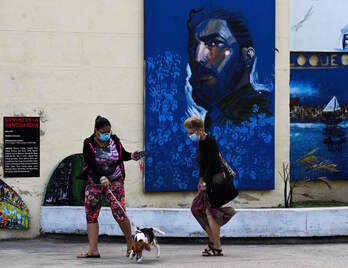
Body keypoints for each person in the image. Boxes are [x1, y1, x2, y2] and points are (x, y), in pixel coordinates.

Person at [186, 9, 272, 130]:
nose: (198, 57)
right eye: (193, 47)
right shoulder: (217, 117)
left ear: (247, 56)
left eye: (215, 42)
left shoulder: (261, 116)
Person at [77, 116, 142, 258]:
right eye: (104, 131)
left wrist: (131, 155)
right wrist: (101, 177)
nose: (107, 134)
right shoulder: (88, 144)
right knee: (91, 215)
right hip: (95, 182)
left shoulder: (115, 140)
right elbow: (91, 163)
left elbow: (121, 155)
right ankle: (93, 250)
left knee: (119, 212)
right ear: (96, 131)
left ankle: (130, 245)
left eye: (108, 131)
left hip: (115, 182)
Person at [184, 116, 236, 256]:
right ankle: (214, 241)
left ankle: (216, 246)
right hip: (207, 180)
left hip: (215, 181)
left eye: (190, 131)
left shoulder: (210, 141)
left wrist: (205, 182)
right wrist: (200, 180)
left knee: (209, 212)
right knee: (197, 208)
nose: (188, 134)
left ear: (198, 129)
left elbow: (213, 165)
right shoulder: (201, 142)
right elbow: (203, 164)